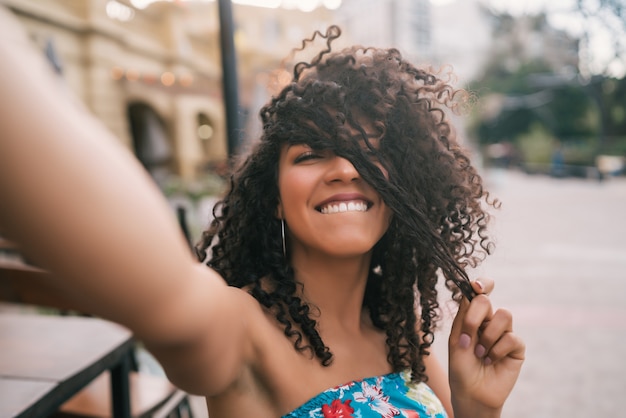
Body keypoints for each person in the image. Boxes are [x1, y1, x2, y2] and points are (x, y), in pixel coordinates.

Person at [0, 11, 524, 418]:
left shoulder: (402, 329)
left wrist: (479, 409)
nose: (345, 167)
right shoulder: (241, 328)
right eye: (312, 152)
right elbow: (160, 289)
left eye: (370, 152)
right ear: (273, 193)